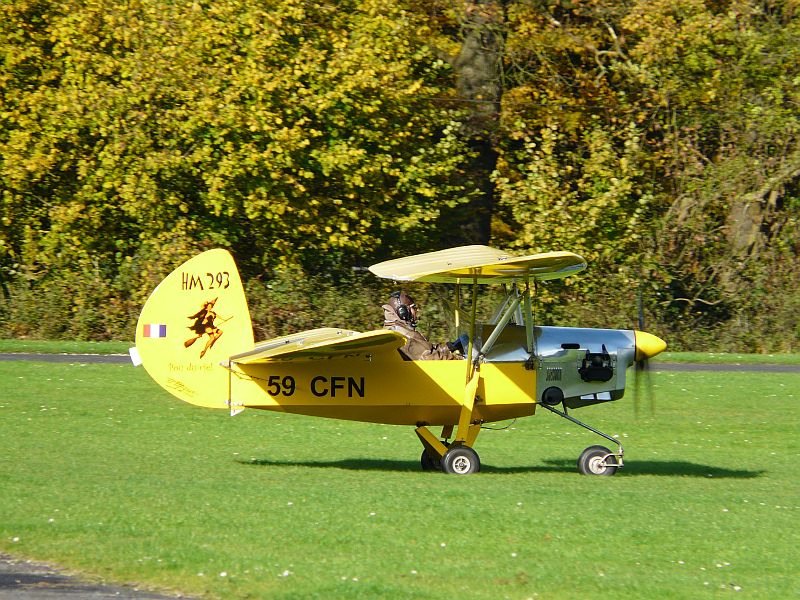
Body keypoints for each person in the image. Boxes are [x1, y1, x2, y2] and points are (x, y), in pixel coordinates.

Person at [382, 290, 467, 360]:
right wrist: (460, 360)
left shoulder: (398, 330)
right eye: (413, 308)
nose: (417, 310)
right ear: (403, 312)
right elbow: (431, 358)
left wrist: (450, 346)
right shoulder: (403, 337)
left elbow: (428, 349)